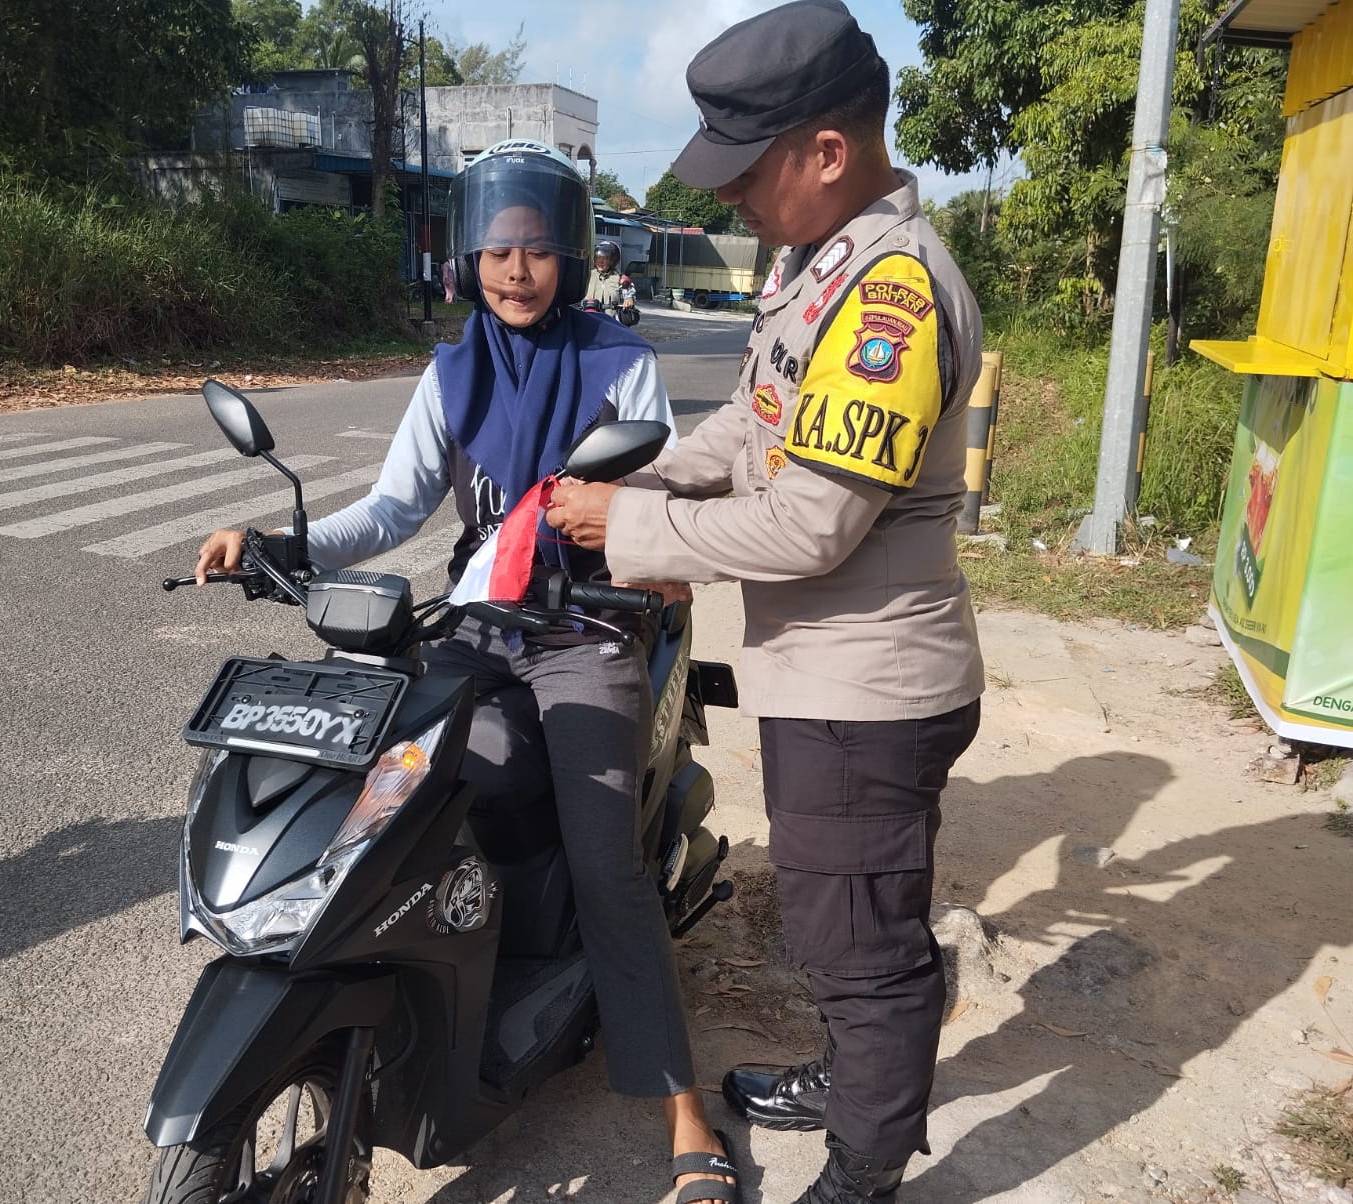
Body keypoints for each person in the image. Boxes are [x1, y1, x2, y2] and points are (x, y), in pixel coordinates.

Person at [192, 140, 739, 1204]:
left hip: (585, 631)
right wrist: (277, 544)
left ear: (570, 259)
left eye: (536, 249)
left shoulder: (616, 360)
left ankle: (685, 1114)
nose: (515, 269)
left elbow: (661, 489)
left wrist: (657, 560)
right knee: (393, 792)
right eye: (497, 247)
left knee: (602, 860)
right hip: (479, 630)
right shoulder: (452, 369)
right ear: (466, 258)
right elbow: (390, 511)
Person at [544, 3, 985, 1201]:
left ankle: (861, 1172)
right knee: (839, 929)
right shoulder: (817, 265)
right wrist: (639, 471)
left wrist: (626, 529)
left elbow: (811, 519)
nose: (731, 198)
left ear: (827, 153)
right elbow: (759, 424)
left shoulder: (890, 298)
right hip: (826, 679)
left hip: (868, 692)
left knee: (864, 955)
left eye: (747, 172)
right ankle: (853, 1086)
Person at [586, 239, 626, 318]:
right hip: (588, 317)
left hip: (610, 320)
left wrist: (628, 299)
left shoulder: (619, 277)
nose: (601, 262)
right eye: (598, 258)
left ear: (612, 261)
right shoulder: (587, 275)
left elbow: (628, 290)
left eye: (605, 258)